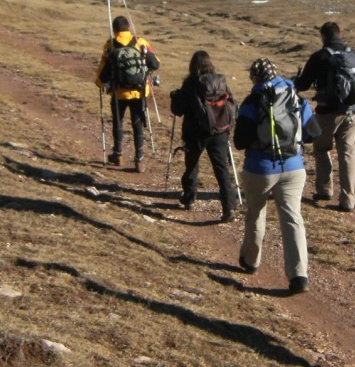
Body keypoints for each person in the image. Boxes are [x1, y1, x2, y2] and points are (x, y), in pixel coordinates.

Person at [233, 58, 321, 295]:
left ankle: (251, 261)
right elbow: (314, 132)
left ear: (254, 78)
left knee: (256, 214)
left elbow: (239, 142)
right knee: (293, 219)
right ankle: (299, 275)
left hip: (259, 168)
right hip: (294, 168)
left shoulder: (252, 102)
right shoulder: (295, 98)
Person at [294, 21, 355, 212]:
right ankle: (348, 199)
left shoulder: (320, 56)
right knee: (348, 154)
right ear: (341, 34)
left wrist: (296, 80)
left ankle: (324, 189)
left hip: (326, 112)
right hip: (352, 113)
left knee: (321, 149)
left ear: (323, 36)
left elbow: (303, 85)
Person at [169, 50, 238, 222]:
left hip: (196, 132)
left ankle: (189, 197)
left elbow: (178, 110)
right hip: (220, 131)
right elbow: (232, 104)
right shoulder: (220, 81)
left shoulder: (191, 83)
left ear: (192, 65)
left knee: (192, 165)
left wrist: (175, 97)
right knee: (222, 169)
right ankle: (229, 207)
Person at [95, 15, 160, 173]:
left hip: (118, 92)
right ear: (129, 28)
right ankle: (139, 160)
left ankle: (118, 155)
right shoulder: (140, 42)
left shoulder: (110, 45)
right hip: (139, 91)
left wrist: (99, 82)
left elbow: (102, 70)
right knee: (137, 124)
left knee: (118, 122)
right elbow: (156, 63)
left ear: (115, 29)